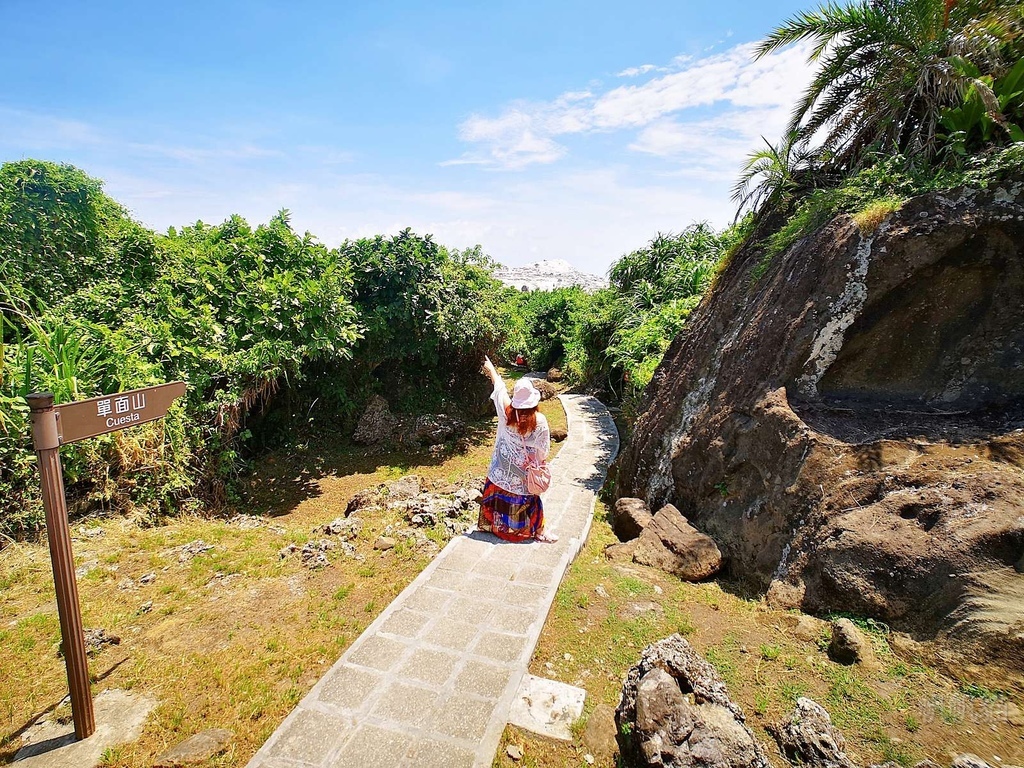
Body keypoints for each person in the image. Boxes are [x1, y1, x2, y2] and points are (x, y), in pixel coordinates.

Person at [477, 356, 557, 543]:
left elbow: (500, 389)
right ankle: (535, 530)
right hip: (523, 477)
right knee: (530, 498)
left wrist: (491, 370)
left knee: (497, 491)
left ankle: (495, 526)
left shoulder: (507, 414)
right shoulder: (540, 421)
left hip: (500, 472)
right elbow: (542, 452)